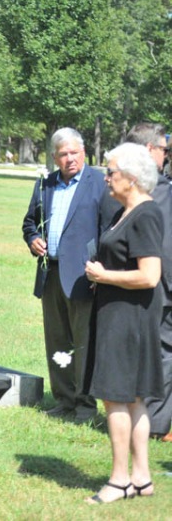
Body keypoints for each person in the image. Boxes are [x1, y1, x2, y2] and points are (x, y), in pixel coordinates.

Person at [82, 143, 165, 504]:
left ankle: (119, 481)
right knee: (132, 399)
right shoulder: (124, 211)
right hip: (119, 313)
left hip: (129, 318)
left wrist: (105, 276)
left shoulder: (145, 214)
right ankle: (141, 478)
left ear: (131, 178)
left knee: (116, 397)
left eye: (111, 171)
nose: (106, 177)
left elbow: (150, 275)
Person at [22, 127, 118, 423]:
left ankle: (85, 406)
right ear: (54, 157)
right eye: (63, 154)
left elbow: (109, 231)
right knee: (57, 340)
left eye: (74, 152)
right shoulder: (46, 184)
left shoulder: (99, 183)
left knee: (83, 342)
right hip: (50, 275)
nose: (69, 159)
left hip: (84, 278)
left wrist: (101, 271)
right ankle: (63, 399)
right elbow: (29, 222)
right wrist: (32, 238)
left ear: (84, 152)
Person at [125, 123, 172, 443]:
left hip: (142, 280)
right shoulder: (153, 188)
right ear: (149, 150)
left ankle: (151, 418)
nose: (166, 156)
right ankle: (152, 421)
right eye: (163, 150)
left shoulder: (121, 184)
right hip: (151, 281)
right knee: (159, 349)